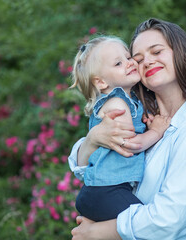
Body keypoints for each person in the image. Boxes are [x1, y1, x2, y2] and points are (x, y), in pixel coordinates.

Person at [69, 18, 186, 240]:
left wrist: (96, 233)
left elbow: (167, 220)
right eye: (138, 59)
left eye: (157, 51)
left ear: (181, 53)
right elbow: (90, 169)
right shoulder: (139, 116)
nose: (147, 62)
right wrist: (92, 140)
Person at [69, 36, 171, 222]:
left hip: (103, 190)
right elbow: (130, 144)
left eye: (127, 57)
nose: (129, 63)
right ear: (101, 83)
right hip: (107, 190)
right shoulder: (117, 103)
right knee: (146, 226)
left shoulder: (127, 102)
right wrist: (156, 131)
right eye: (118, 63)